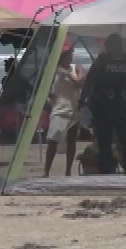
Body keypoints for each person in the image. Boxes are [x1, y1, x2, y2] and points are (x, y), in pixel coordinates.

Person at [81, 34, 126, 174]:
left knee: (106, 142)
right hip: (122, 107)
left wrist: (82, 103)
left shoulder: (101, 63)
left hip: (104, 109)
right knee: (125, 142)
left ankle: (107, 172)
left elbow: (88, 84)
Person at [43, 41, 87, 176]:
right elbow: (48, 90)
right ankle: (46, 171)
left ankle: (68, 171)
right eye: (67, 55)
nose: (70, 57)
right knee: (53, 140)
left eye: (70, 54)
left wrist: (67, 73)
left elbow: (80, 82)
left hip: (73, 109)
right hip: (59, 109)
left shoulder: (76, 68)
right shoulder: (53, 70)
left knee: (71, 140)